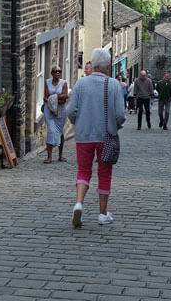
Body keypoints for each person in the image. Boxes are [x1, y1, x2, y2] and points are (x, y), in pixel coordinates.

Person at [65, 48, 125, 227]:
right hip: (106, 135)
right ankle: (102, 214)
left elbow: (71, 111)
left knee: (83, 171)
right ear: (108, 66)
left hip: (84, 136)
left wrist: (80, 123)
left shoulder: (81, 84)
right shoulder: (114, 85)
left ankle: (78, 204)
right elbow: (120, 115)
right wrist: (115, 126)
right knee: (104, 174)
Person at [42, 65, 69, 164]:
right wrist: (56, 99)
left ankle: (60, 155)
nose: (57, 73)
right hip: (49, 110)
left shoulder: (63, 83)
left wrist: (53, 97)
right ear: (52, 73)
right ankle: (49, 156)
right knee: (50, 130)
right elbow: (45, 97)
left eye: (59, 71)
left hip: (61, 111)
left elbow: (65, 96)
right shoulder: (47, 82)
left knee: (60, 131)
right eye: (55, 71)